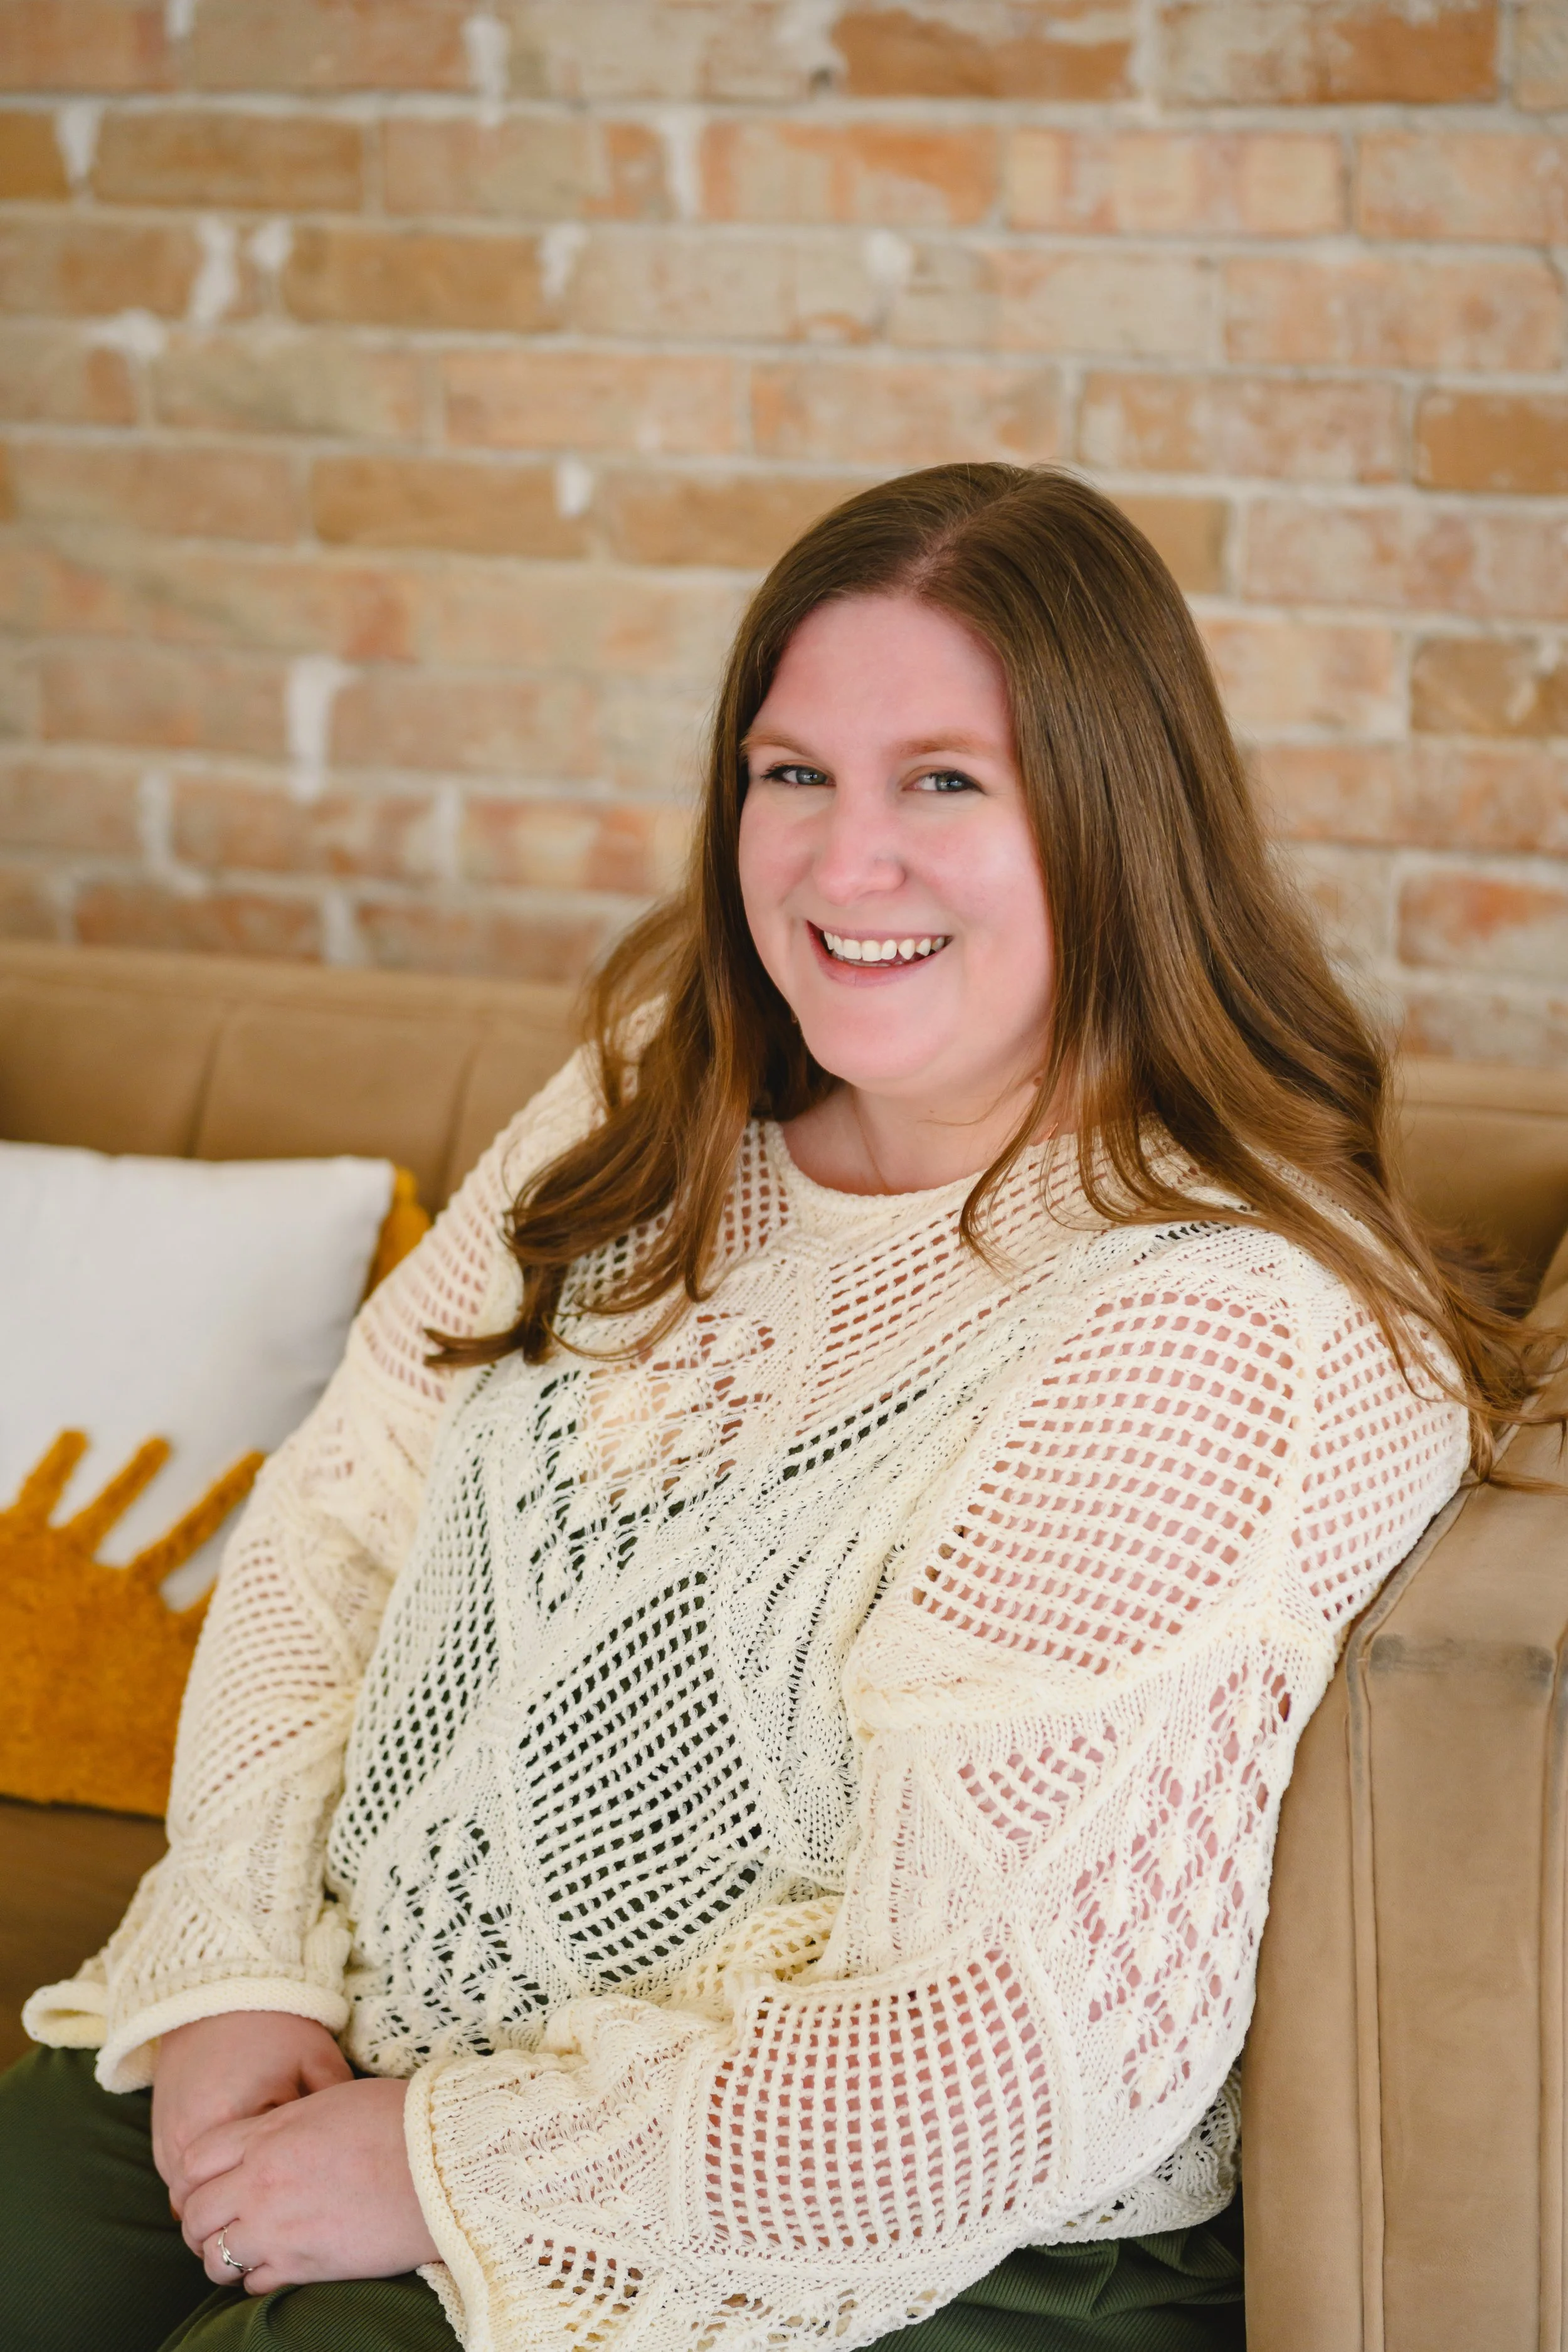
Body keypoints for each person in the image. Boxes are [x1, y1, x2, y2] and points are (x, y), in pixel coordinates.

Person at [0, 464, 1548, 2352]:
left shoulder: (1210, 1319)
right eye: (790, 772)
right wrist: (232, 1968)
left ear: (1115, 818)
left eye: (944, 781)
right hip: (376, 2017)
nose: (840, 862)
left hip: (901, 2224)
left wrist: (443, 2164)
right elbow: (332, 1522)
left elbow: (993, 2058)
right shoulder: (653, 1106)